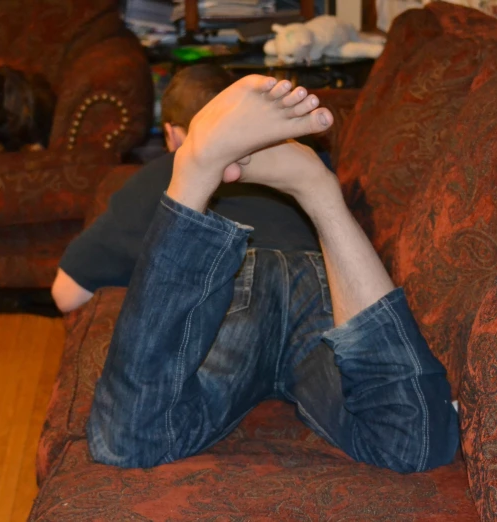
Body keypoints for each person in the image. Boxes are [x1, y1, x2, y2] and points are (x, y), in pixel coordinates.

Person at [83, 74, 460, 474]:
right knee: (415, 443)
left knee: (128, 438)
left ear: (173, 136)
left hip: (231, 277)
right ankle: (316, 187)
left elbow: (66, 293)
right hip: (323, 274)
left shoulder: (150, 176)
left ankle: (194, 174)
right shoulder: (284, 156)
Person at [52, 65, 323, 312]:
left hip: (239, 299)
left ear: (171, 133)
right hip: (317, 292)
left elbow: (66, 294)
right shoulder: (298, 157)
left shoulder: (158, 176)